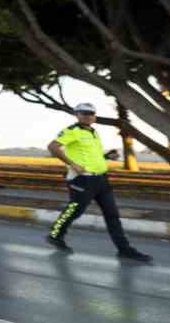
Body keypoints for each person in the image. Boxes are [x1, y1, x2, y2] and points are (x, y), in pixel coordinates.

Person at [46, 103, 153, 262]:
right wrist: (72, 164)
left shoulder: (94, 132)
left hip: (101, 179)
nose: (88, 116)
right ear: (77, 114)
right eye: (84, 113)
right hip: (82, 180)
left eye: (91, 113)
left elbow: (90, 156)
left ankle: (124, 249)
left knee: (112, 215)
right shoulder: (72, 131)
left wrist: (106, 157)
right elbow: (53, 147)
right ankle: (55, 235)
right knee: (75, 211)